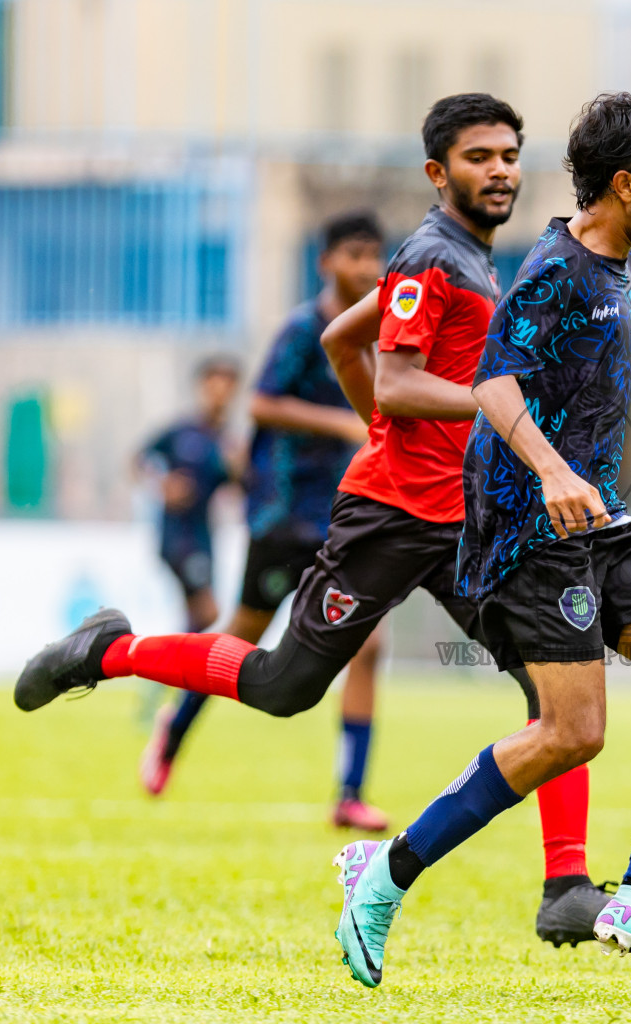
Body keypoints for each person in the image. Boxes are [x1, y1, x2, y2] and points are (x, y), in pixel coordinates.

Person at [17, 95, 612, 947]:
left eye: (511, 154)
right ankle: (108, 651)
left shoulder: (479, 262)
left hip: (464, 521)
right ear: (439, 173)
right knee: (282, 685)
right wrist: (471, 419)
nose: (502, 170)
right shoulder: (433, 255)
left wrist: (396, 423)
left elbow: (342, 338)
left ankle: (566, 884)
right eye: (480, 156)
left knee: (555, 699)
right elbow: (398, 379)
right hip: (391, 517)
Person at [331, 91, 631, 989]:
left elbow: (623, 338)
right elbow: (496, 386)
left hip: (598, 525)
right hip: (528, 532)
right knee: (571, 732)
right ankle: (385, 871)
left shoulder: (613, 266)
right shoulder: (554, 268)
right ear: (625, 185)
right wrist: (553, 470)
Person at [136, 213, 390, 834]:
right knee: (241, 639)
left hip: (342, 515)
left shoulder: (378, 334)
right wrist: (341, 424)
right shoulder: (307, 329)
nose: (367, 267)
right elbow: (261, 402)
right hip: (283, 516)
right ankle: (173, 729)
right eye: (354, 254)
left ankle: (349, 793)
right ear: (326, 261)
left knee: (371, 644)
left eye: (375, 256)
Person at [135, 356, 240, 636]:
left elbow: (239, 486)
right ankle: (159, 665)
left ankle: (172, 674)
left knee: (196, 618)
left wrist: (239, 473)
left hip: (204, 535)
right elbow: (139, 460)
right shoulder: (181, 432)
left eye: (227, 387)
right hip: (178, 537)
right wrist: (161, 483)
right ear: (202, 387)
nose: (219, 394)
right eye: (213, 385)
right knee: (209, 612)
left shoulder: (229, 442)